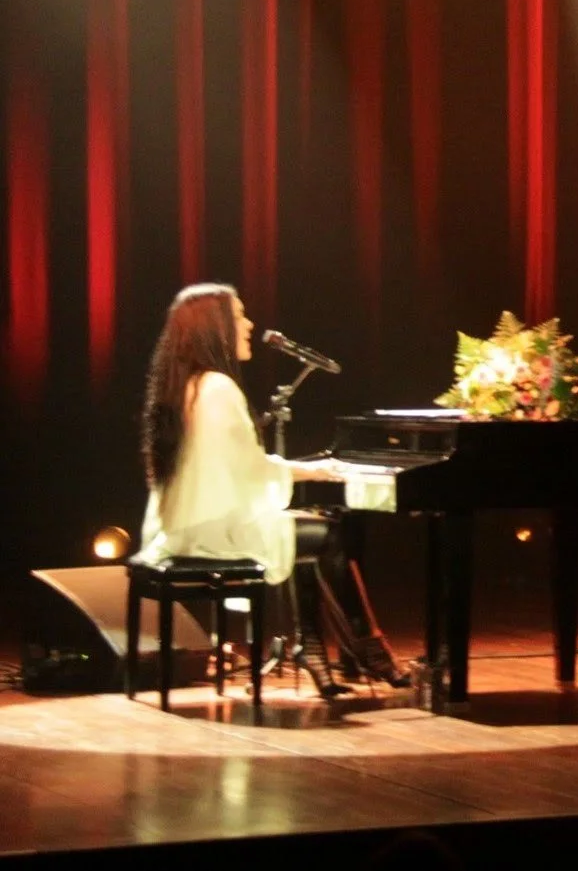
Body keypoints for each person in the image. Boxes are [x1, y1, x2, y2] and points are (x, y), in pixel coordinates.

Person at [137, 282, 399, 698]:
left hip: (187, 527)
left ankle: (318, 649)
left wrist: (307, 471)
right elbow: (249, 471)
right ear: (216, 327)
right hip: (214, 534)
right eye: (239, 315)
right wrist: (318, 472)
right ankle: (366, 644)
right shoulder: (218, 389)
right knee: (329, 534)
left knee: (308, 532)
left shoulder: (186, 385)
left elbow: (237, 468)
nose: (249, 324)